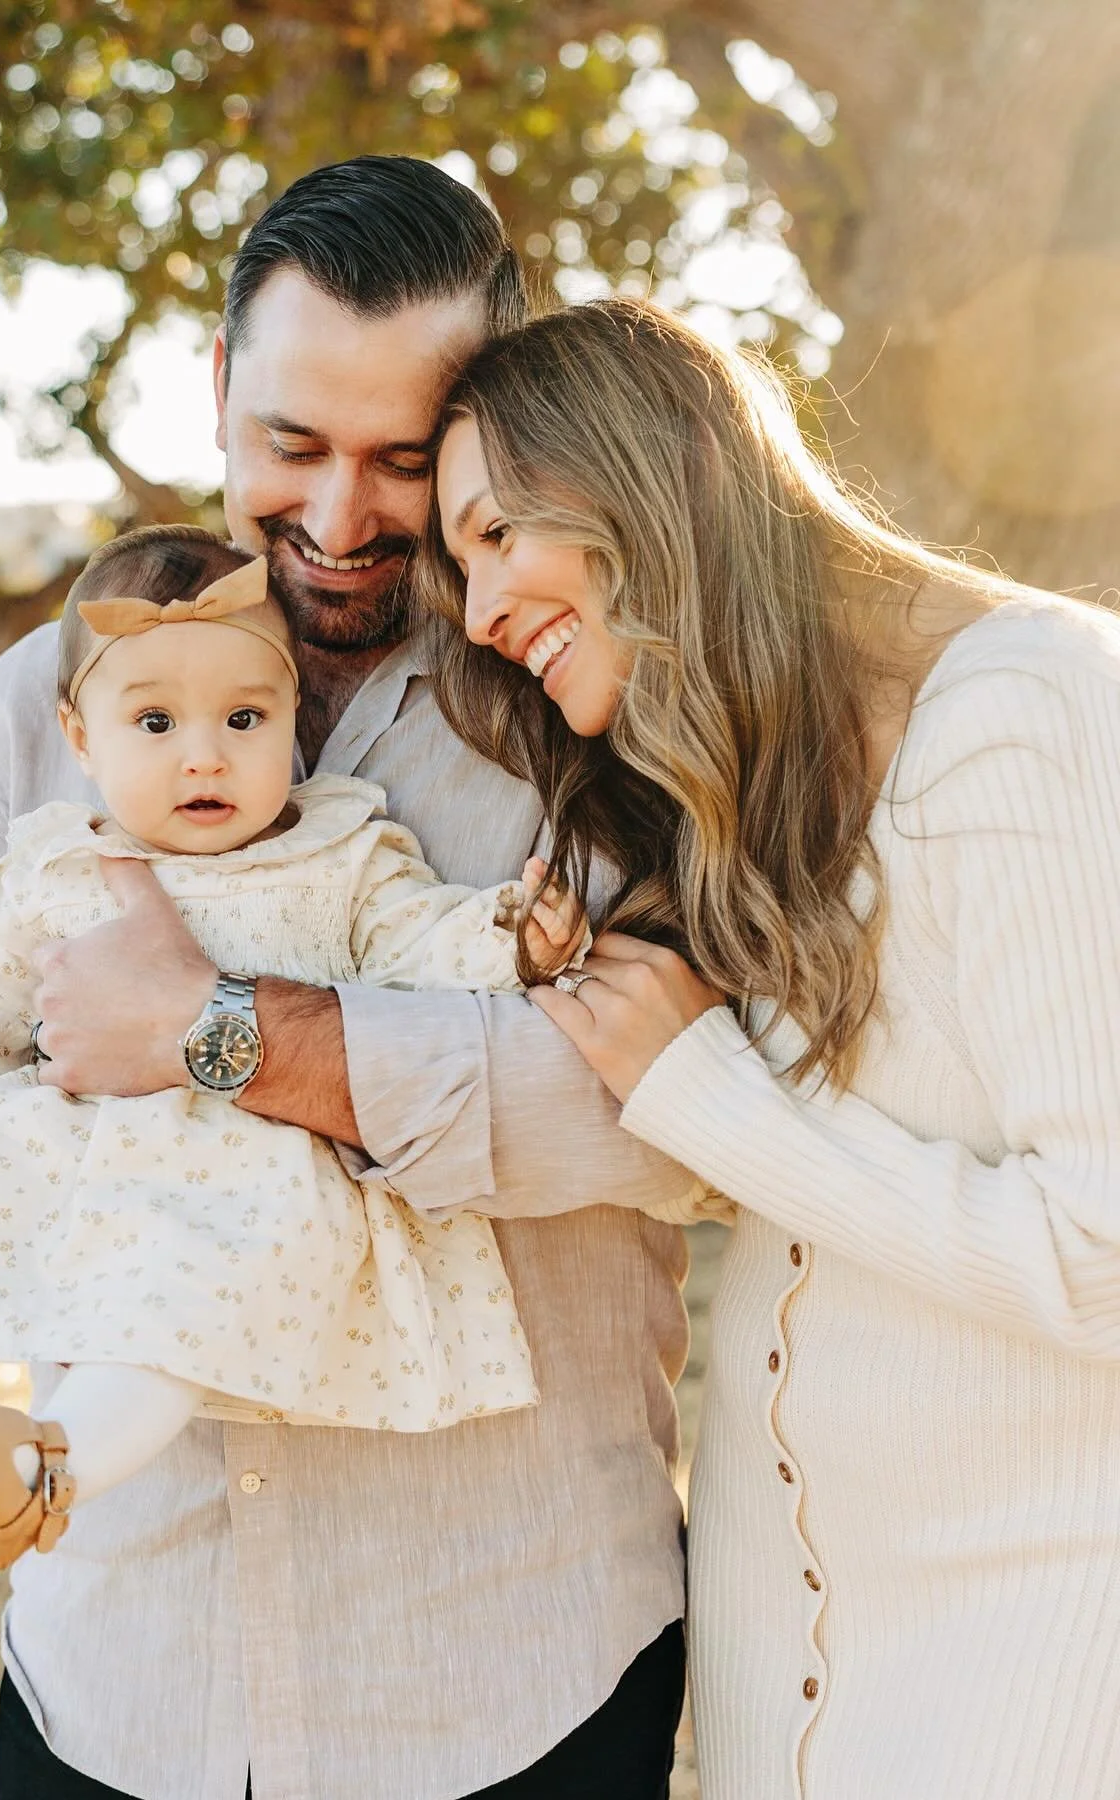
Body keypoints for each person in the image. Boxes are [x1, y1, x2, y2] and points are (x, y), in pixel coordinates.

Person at [0, 159, 696, 1799]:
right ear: (218, 390)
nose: (342, 519)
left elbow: (665, 1126)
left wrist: (220, 1041)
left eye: (405, 461)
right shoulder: (33, 706)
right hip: (118, 1672)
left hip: (506, 1675)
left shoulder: (585, 707)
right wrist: (14, 1124)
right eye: (292, 445)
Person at [422, 294, 1120, 1800]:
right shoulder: (785, 779)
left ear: (638, 473)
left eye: (493, 537)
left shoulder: (1024, 712)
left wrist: (710, 1100)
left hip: (1030, 1669)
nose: (476, 611)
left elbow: (1103, 1252)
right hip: (796, 1673)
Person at [0, 526, 583, 1569]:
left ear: (293, 717)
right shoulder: (51, 870)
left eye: (244, 718)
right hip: (70, 1148)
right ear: (80, 737)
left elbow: (417, 941)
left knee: (169, 1311)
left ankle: (47, 1468)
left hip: (240, 1176)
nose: (203, 754)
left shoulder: (339, 852)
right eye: (154, 721)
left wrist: (509, 934)